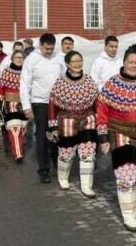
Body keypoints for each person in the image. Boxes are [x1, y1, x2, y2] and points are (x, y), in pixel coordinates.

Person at [97, 44, 136, 232]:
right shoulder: (112, 84)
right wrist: (102, 137)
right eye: (130, 62)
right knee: (126, 175)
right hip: (120, 134)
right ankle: (128, 215)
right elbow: (102, 111)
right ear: (123, 63)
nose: (133, 65)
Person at [47, 50, 98, 195]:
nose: (78, 63)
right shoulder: (60, 82)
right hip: (66, 122)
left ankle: (86, 186)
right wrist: (52, 126)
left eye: (80, 60)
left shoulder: (89, 81)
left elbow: (96, 102)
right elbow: (52, 105)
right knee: (66, 153)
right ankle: (63, 178)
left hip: (88, 121)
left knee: (88, 152)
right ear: (68, 64)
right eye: (74, 61)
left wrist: (99, 120)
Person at [20, 33, 63, 183]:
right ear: (40, 45)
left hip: (58, 103)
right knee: (42, 136)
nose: (49, 51)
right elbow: (25, 84)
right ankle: (44, 169)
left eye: (51, 48)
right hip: (40, 103)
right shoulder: (32, 59)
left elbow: (65, 78)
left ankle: (58, 162)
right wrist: (26, 106)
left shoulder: (58, 57)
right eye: (47, 49)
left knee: (58, 135)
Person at [0, 50, 28, 161]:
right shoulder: (6, 72)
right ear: (13, 59)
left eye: (21, 57)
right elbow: (0, 88)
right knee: (15, 128)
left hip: (25, 103)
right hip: (11, 103)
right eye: (17, 57)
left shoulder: (27, 72)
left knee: (23, 128)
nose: (19, 59)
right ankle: (18, 154)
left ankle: (18, 148)